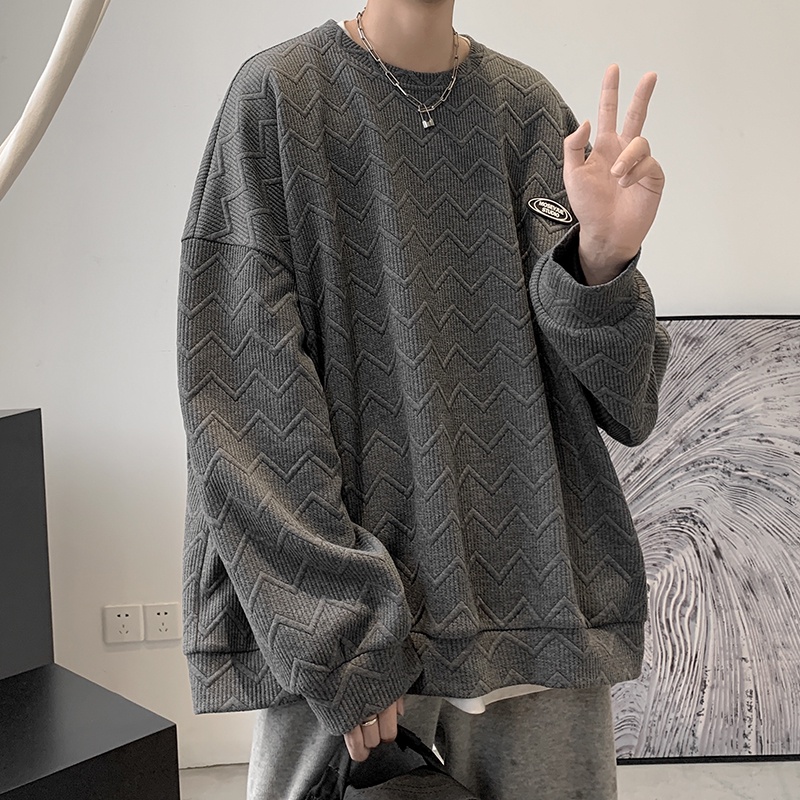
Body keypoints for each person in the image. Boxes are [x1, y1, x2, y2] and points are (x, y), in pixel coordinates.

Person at [176, 1, 671, 798]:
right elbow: (241, 400)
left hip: (537, 620)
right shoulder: (278, 98)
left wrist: (604, 260)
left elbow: (627, 400)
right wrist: (342, 636)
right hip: (362, 635)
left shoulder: (530, 112)